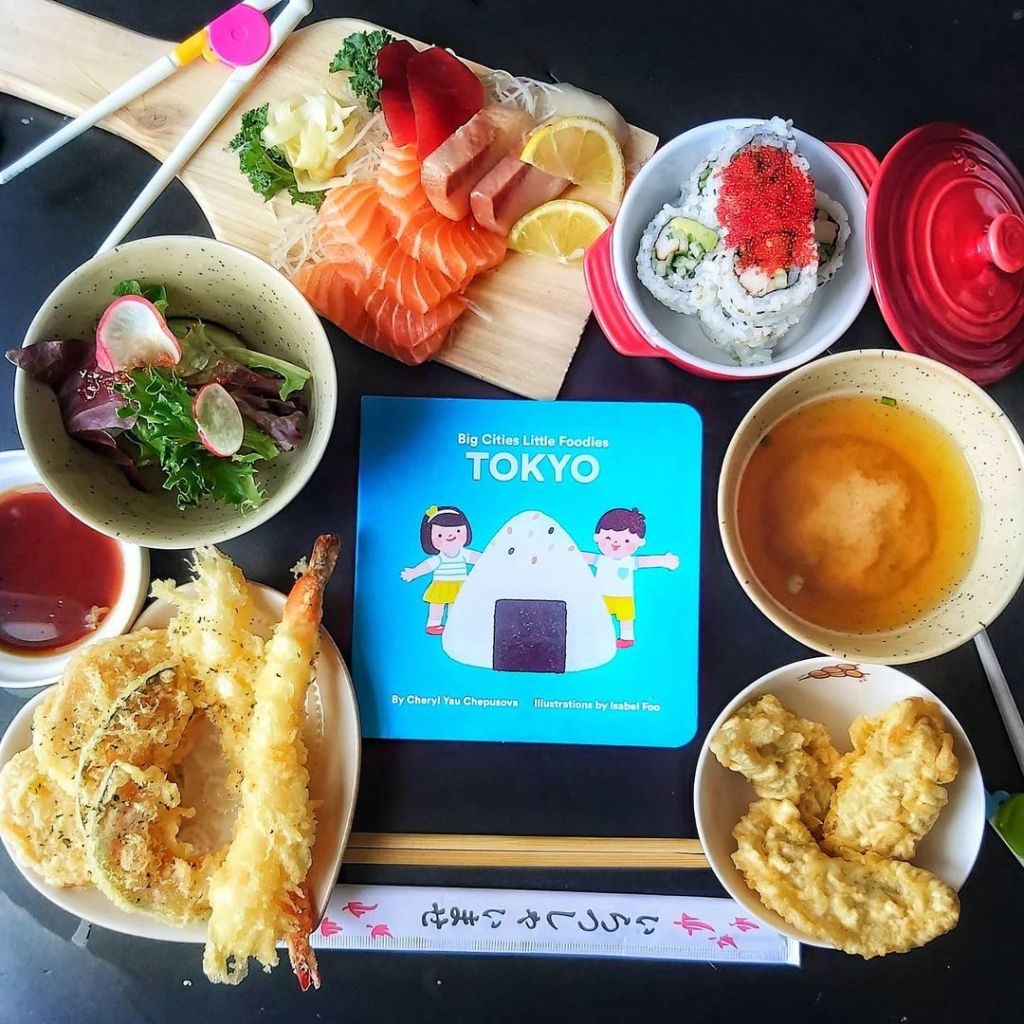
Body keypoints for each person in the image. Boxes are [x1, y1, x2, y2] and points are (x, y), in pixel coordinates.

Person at [580, 507, 679, 649]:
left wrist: (664, 561)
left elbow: (646, 561)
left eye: (626, 540)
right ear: (598, 537)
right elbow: (582, 557)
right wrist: (567, 553)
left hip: (624, 596)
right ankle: (597, 636)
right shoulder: (601, 560)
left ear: (638, 542)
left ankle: (627, 638)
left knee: (626, 618)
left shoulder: (629, 561)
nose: (615, 543)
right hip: (602, 596)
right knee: (599, 616)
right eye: (608, 538)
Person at [400, 505, 480, 635]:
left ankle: (453, 625)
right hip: (441, 585)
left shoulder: (463, 554)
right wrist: (413, 573)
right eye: (440, 534)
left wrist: (492, 559)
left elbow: (479, 558)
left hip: (459, 585)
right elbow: (427, 566)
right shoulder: (439, 558)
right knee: (437, 605)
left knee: (456, 606)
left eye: (457, 531)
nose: (451, 536)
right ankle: (433, 624)